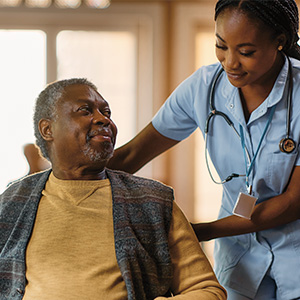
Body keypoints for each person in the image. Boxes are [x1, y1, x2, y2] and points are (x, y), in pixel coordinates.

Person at [107, 0, 300, 299]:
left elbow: (293, 202)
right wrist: (65, 187)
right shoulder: (203, 88)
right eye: (221, 45)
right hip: (239, 263)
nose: (230, 62)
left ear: (280, 42)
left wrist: (198, 232)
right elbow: (131, 156)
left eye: (246, 52)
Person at [0, 78, 226, 300]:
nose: (103, 120)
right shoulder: (12, 202)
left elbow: (207, 290)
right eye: (85, 111)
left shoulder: (153, 202)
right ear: (47, 129)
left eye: (106, 112)